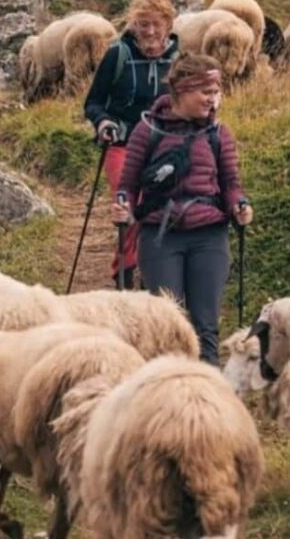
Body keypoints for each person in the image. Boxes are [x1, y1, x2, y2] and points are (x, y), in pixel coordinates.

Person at [112, 53, 253, 365]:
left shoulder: (218, 134)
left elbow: (230, 184)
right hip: (161, 238)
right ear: (182, 91)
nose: (213, 100)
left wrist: (239, 206)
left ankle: (210, 402)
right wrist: (122, 205)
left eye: (216, 92)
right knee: (166, 327)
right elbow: (128, 184)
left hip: (210, 237)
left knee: (206, 327)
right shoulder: (146, 130)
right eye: (206, 92)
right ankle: (166, 398)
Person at [84, 0, 179, 289]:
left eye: (156, 24)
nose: (149, 31)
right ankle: (125, 272)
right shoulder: (118, 55)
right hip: (122, 143)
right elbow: (93, 102)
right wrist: (103, 122)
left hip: (164, 145)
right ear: (133, 25)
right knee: (130, 205)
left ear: (168, 25)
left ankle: (152, 270)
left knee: (160, 208)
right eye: (142, 24)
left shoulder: (179, 61)